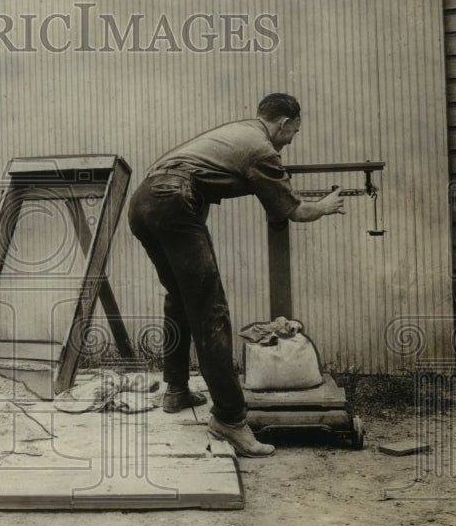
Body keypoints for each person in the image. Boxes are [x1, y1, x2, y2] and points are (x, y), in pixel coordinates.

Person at [127, 93, 345, 457]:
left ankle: (177, 389)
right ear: (282, 123)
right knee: (210, 310)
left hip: (144, 202)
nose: (292, 139)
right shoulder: (262, 148)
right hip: (174, 199)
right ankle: (229, 419)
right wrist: (324, 206)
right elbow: (295, 212)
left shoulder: (239, 132)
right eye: (294, 131)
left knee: (180, 298)